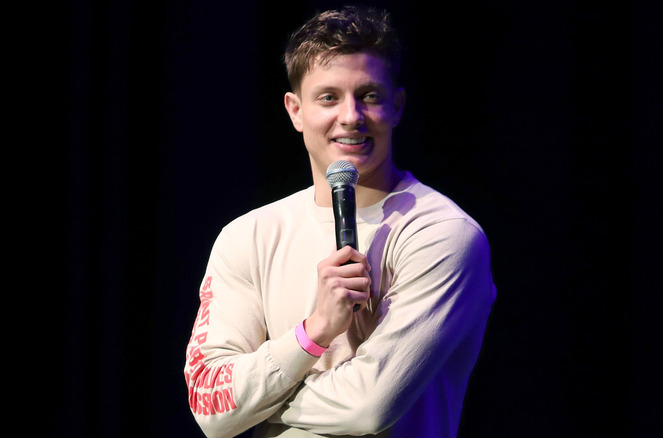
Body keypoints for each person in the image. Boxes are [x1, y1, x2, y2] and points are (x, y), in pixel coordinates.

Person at [184, 6, 496, 437]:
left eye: (369, 95)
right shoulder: (248, 236)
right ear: (295, 111)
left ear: (397, 105)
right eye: (329, 97)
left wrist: (259, 403)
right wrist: (313, 332)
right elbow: (211, 406)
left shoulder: (442, 233)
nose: (351, 116)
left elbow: (367, 408)